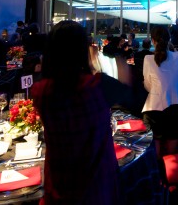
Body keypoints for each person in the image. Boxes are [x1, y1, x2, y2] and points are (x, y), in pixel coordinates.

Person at [32, 20, 119, 204]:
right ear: (82, 50)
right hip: (97, 187)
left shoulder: (41, 92)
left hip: (60, 186)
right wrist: (94, 61)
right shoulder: (98, 86)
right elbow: (128, 89)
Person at [142, 26, 178, 158]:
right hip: (176, 107)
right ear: (169, 38)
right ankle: (169, 171)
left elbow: (148, 86)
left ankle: (158, 172)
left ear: (153, 40)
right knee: (171, 149)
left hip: (154, 108)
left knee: (156, 147)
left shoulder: (148, 59)